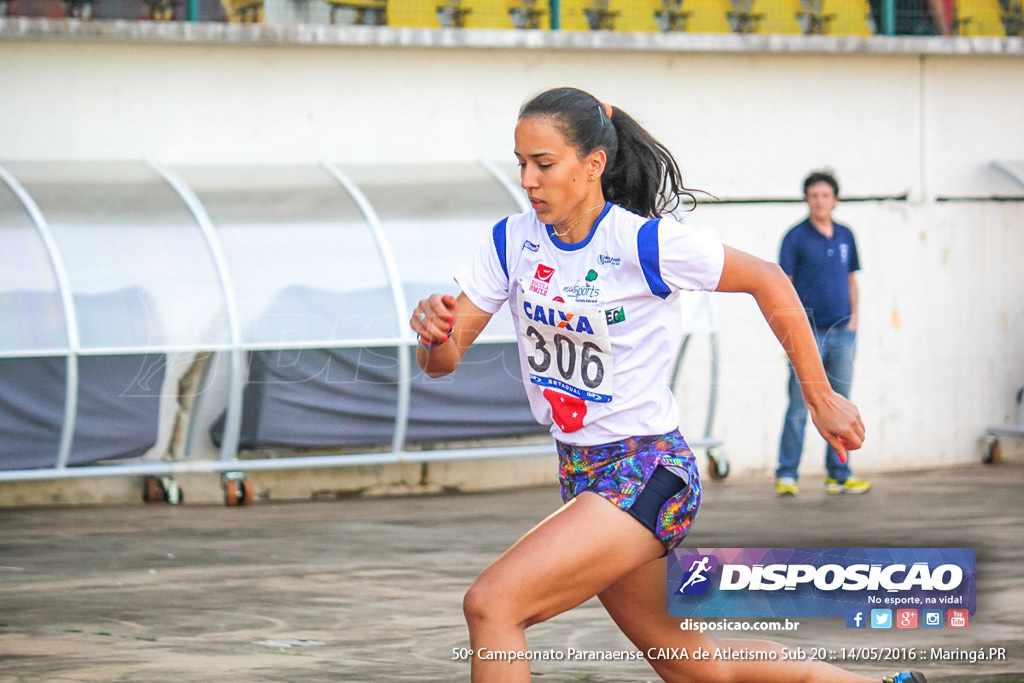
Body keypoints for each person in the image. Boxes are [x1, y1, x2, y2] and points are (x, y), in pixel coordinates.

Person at [410, 86, 923, 683]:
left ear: (592, 164)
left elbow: (770, 280)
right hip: (581, 472)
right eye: (520, 162)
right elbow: (442, 363)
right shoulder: (510, 242)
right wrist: (432, 332)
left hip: (648, 470)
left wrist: (820, 395)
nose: (528, 179)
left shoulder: (643, 242)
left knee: (493, 604)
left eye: (544, 164)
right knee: (694, 667)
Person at [775, 170, 870, 497]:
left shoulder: (845, 235)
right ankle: (787, 474)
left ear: (835, 199)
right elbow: (781, 287)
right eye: (814, 196)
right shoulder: (795, 238)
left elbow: (851, 280)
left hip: (843, 332)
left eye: (825, 196)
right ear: (807, 199)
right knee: (800, 406)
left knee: (841, 404)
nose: (820, 201)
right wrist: (790, 335)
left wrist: (854, 321)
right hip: (808, 335)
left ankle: (839, 475)